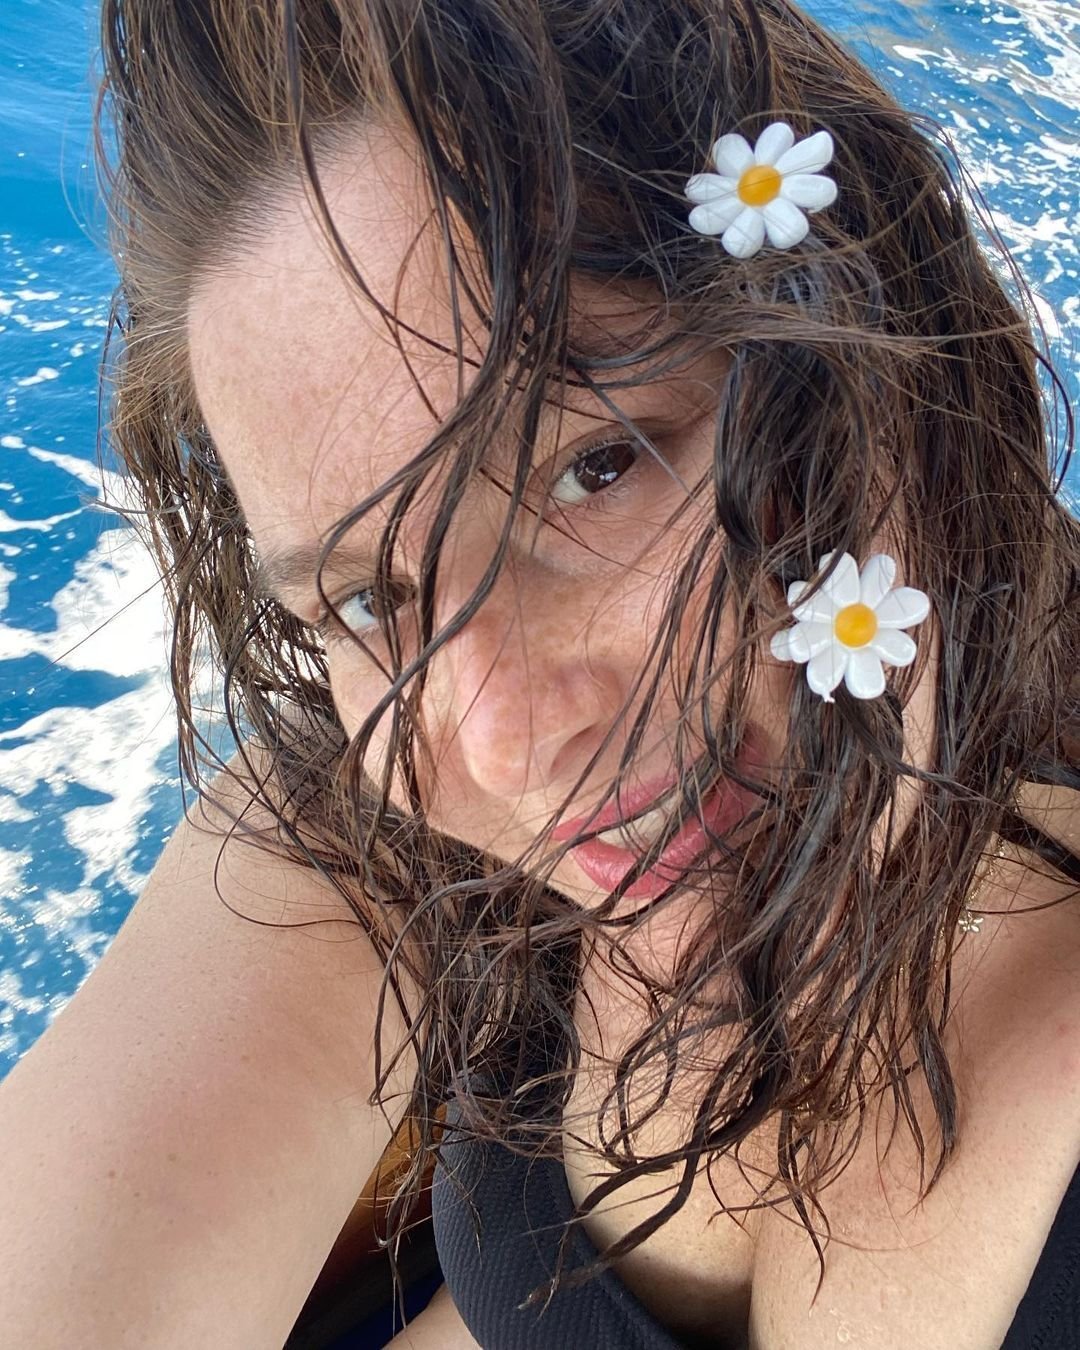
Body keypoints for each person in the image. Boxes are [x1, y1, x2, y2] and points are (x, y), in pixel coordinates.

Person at [2, 1, 1079, 1347]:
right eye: (367, 598)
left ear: (860, 326)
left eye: (596, 464)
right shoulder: (381, 807)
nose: (502, 747)